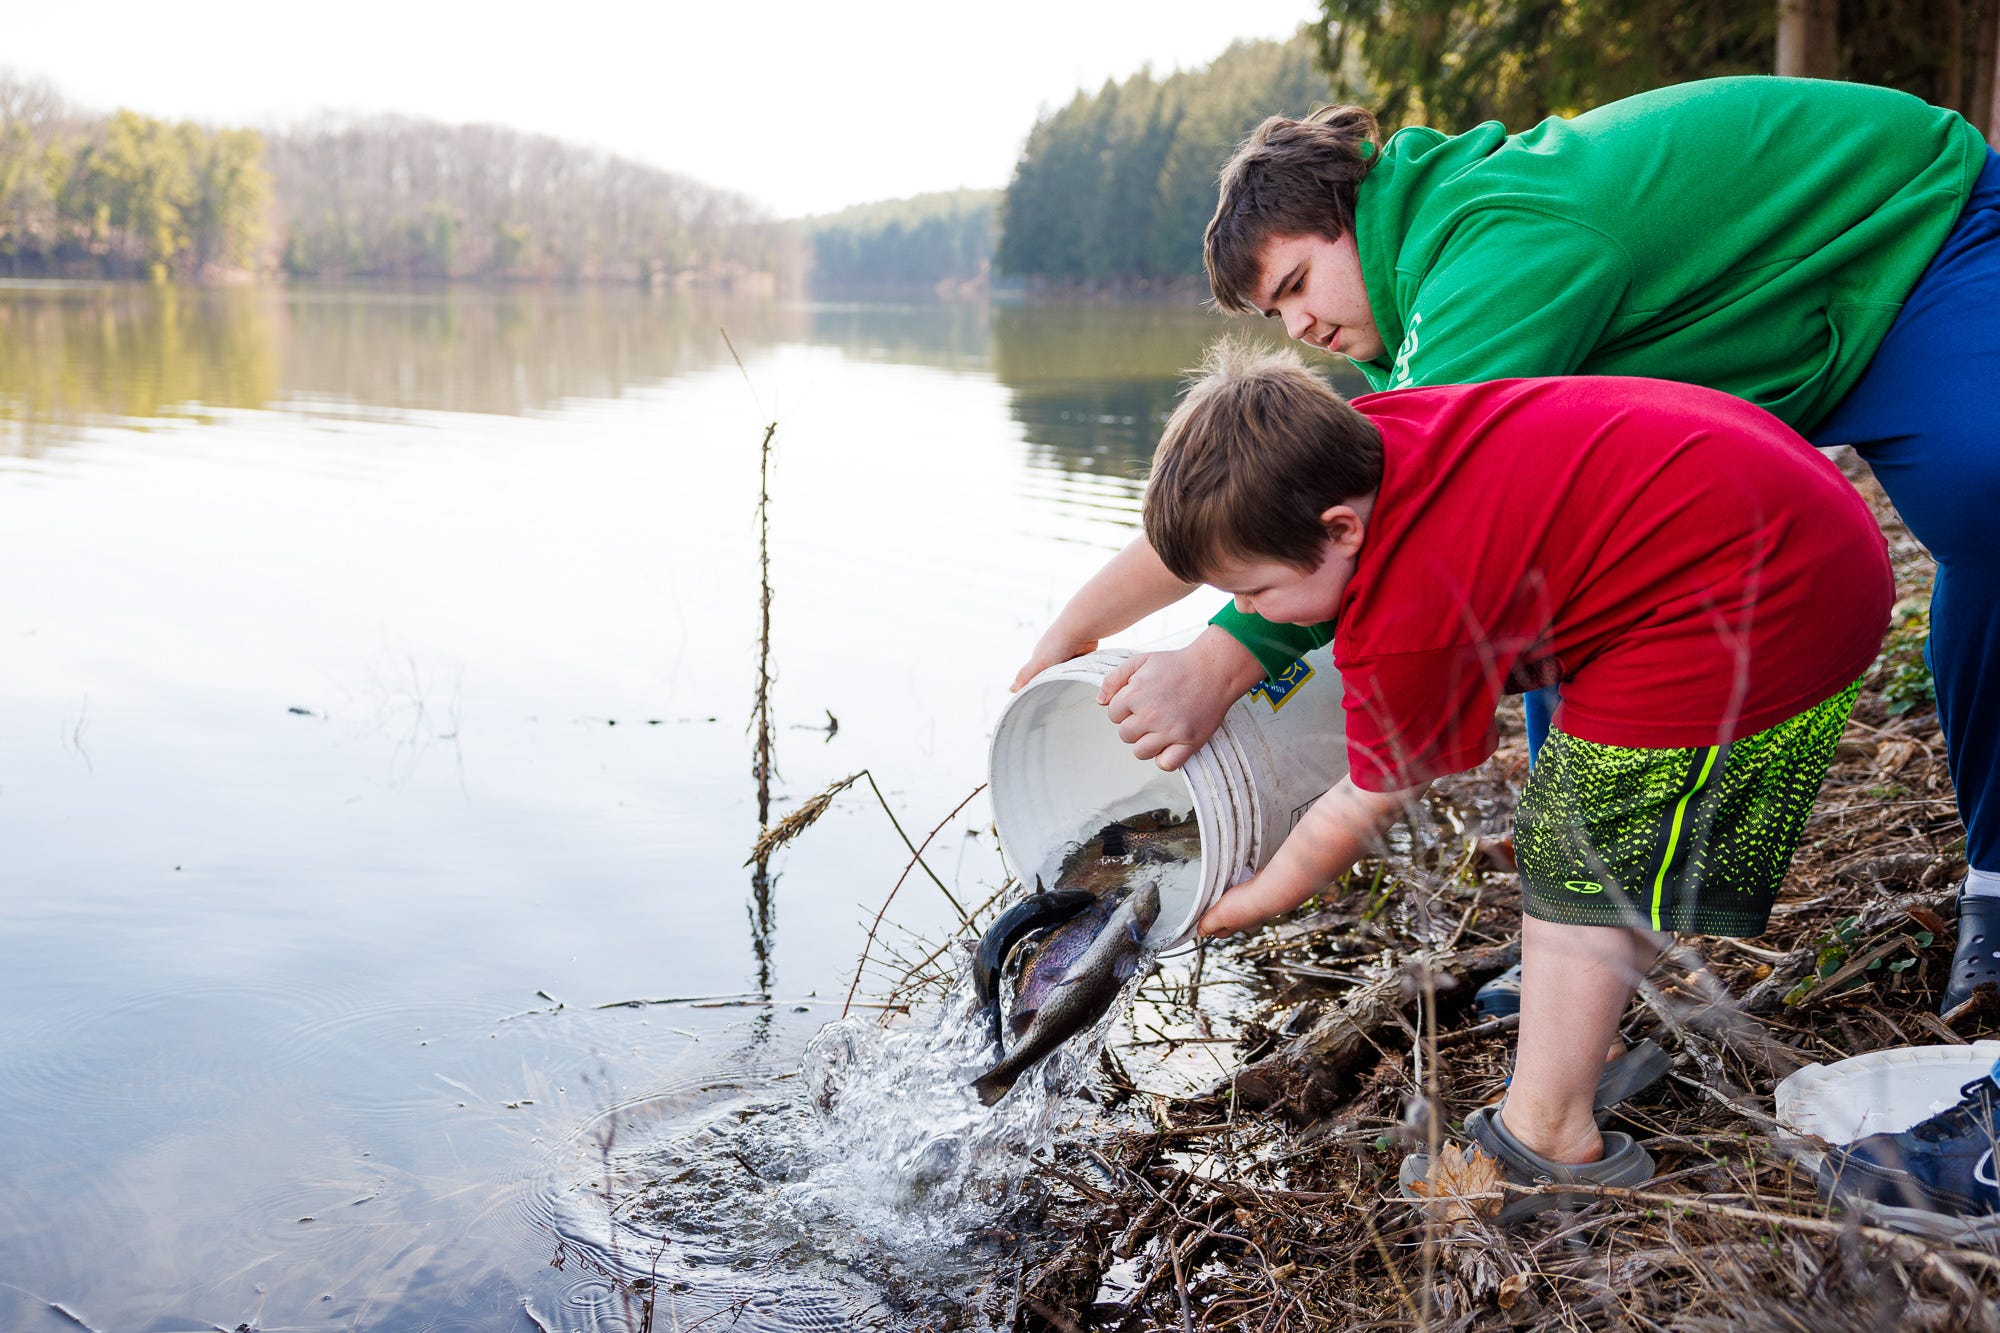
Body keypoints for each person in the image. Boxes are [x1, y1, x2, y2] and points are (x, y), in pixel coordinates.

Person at [1014, 76, 2000, 1017]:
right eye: (1275, 316)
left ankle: (1993, 875)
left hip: (1909, 231)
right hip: (1770, 338)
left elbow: (1372, 522)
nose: (1301, 325)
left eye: (1298, 283)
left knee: (1987, 504)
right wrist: (1066, 635)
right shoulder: (1427, 302)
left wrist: (1216, 662)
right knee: (1565, 619)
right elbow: (1263, 509)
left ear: (1354, 209)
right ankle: (1590, 933)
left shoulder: (1489, 239)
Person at [1090, 340, 1890, 1218]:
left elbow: (1371, 792)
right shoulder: (1370, 439)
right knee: (1599, 825)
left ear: (1339, 531)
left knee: (1575, 847)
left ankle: (1549, 1138)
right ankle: (1587, 1036)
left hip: (1768, 588)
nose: (1248, 613)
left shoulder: (1407, 608)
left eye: (1256, 590)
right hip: (1785, 515)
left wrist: (1256, 893)